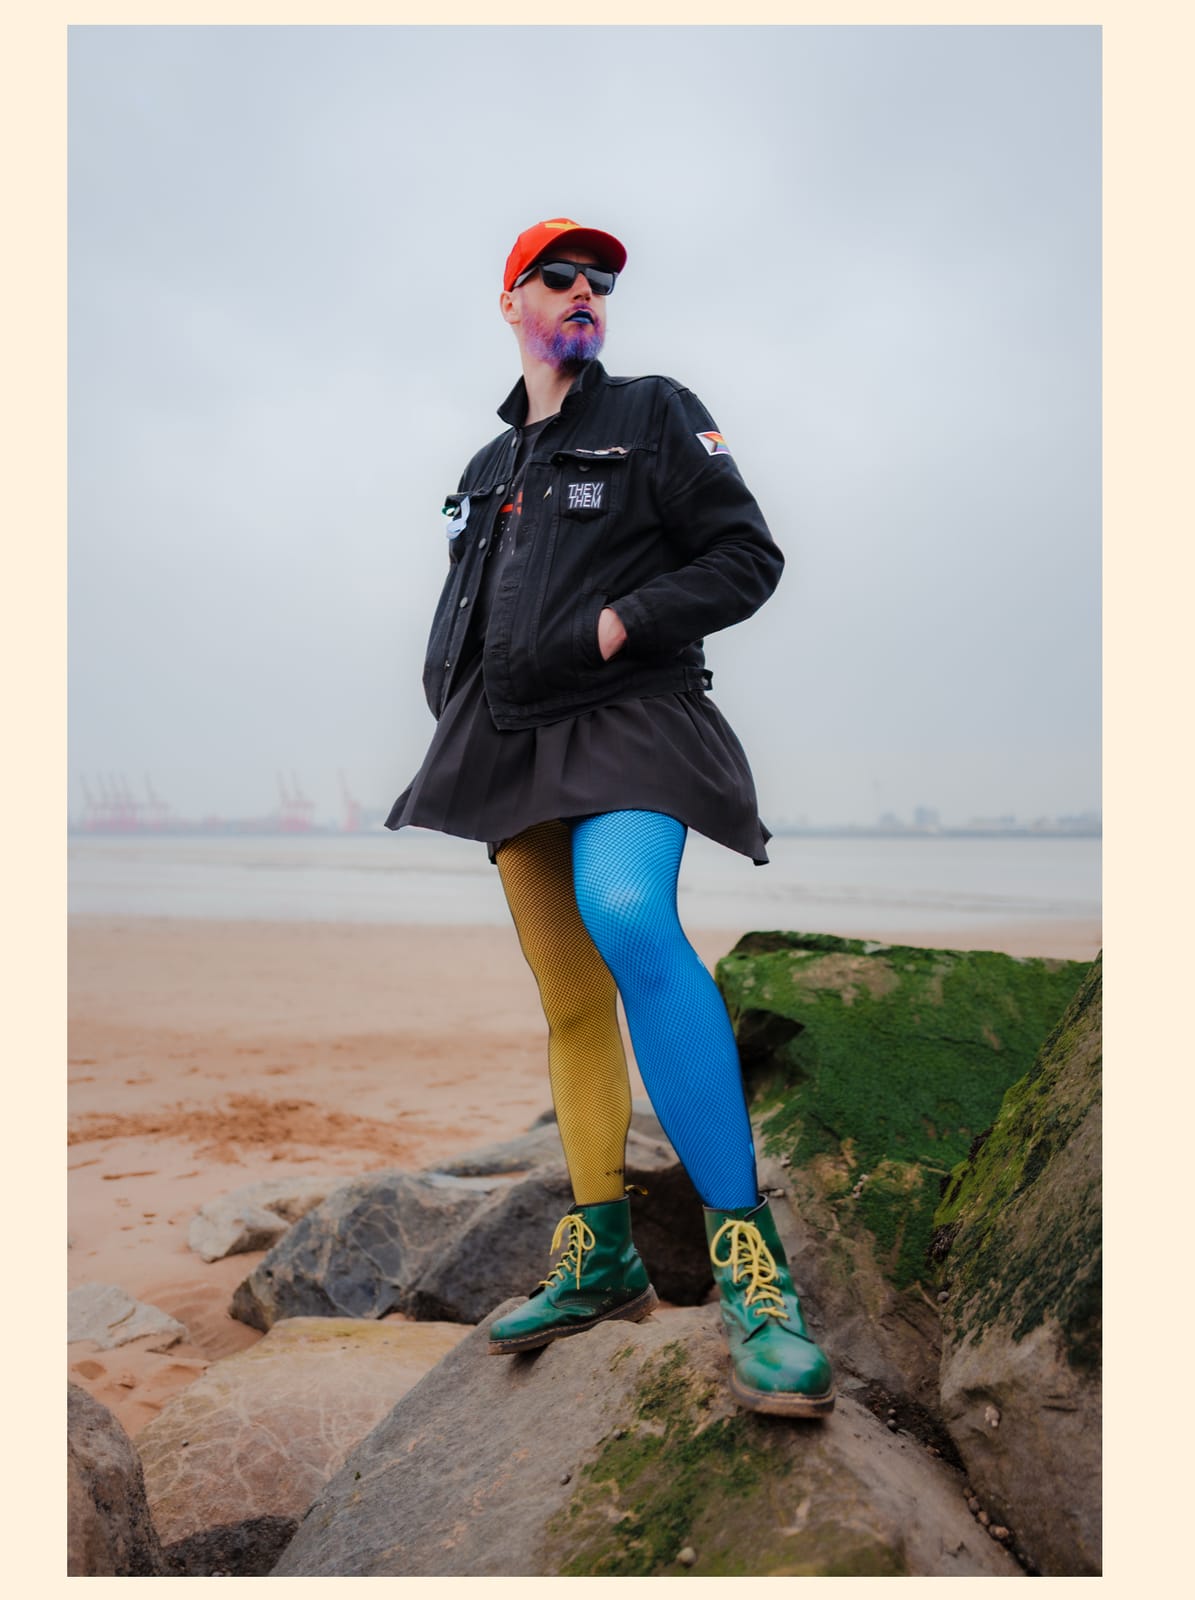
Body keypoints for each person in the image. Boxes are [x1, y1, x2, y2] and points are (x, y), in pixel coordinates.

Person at [384, 217, 833, 1417]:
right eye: (562, 277)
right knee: (570, 997)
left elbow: (746, 555)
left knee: (629, 912)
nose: (588, 292)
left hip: (630, 713)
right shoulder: (484, 469)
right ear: (510, 301)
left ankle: (753, 1273)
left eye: (603, 282)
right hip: (504, 740)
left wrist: (620, 621)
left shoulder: (651, 411)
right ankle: (603, 1254)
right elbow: (467, 601)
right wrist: (450, 695)